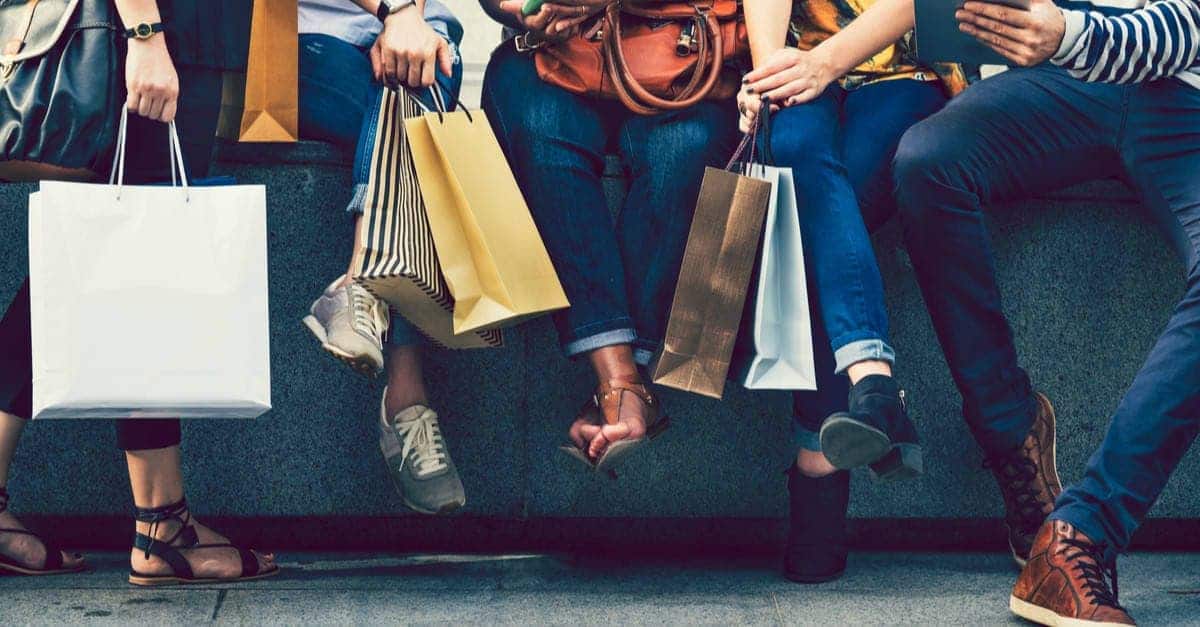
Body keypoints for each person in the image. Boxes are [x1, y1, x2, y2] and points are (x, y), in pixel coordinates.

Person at [891, 0, 1198, 622]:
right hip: (1041, 85)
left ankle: (1079, 536)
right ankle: (1012, 432)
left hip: (1179, 92)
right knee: (926, 161)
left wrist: (1068, 33)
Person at [0, 0, 276, 584]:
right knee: (142, 266)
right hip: (157, 32)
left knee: (89, 266)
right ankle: (161, 526)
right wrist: (146, 32)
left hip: (179, 36)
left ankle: (160, 522)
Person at [736, 0, 968, 583]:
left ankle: (817, 464)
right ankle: (875, 390)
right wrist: (770, 79)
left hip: (905, 73)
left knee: (833, 206)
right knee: (791, 151)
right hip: (798, 62)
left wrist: (822, 66)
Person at [477, 0, 740, 472]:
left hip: (690, 59)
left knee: (685, 154)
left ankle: (621, 390)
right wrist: (521, 8)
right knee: (541, 134)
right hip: (556, 55)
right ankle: (622, 380)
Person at [297, 0, 468, 515]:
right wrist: (394, 12)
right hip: (301, 39)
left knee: (416, 79)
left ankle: (360, 285)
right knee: (415, 116)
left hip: (422, 41)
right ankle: (407, 398)